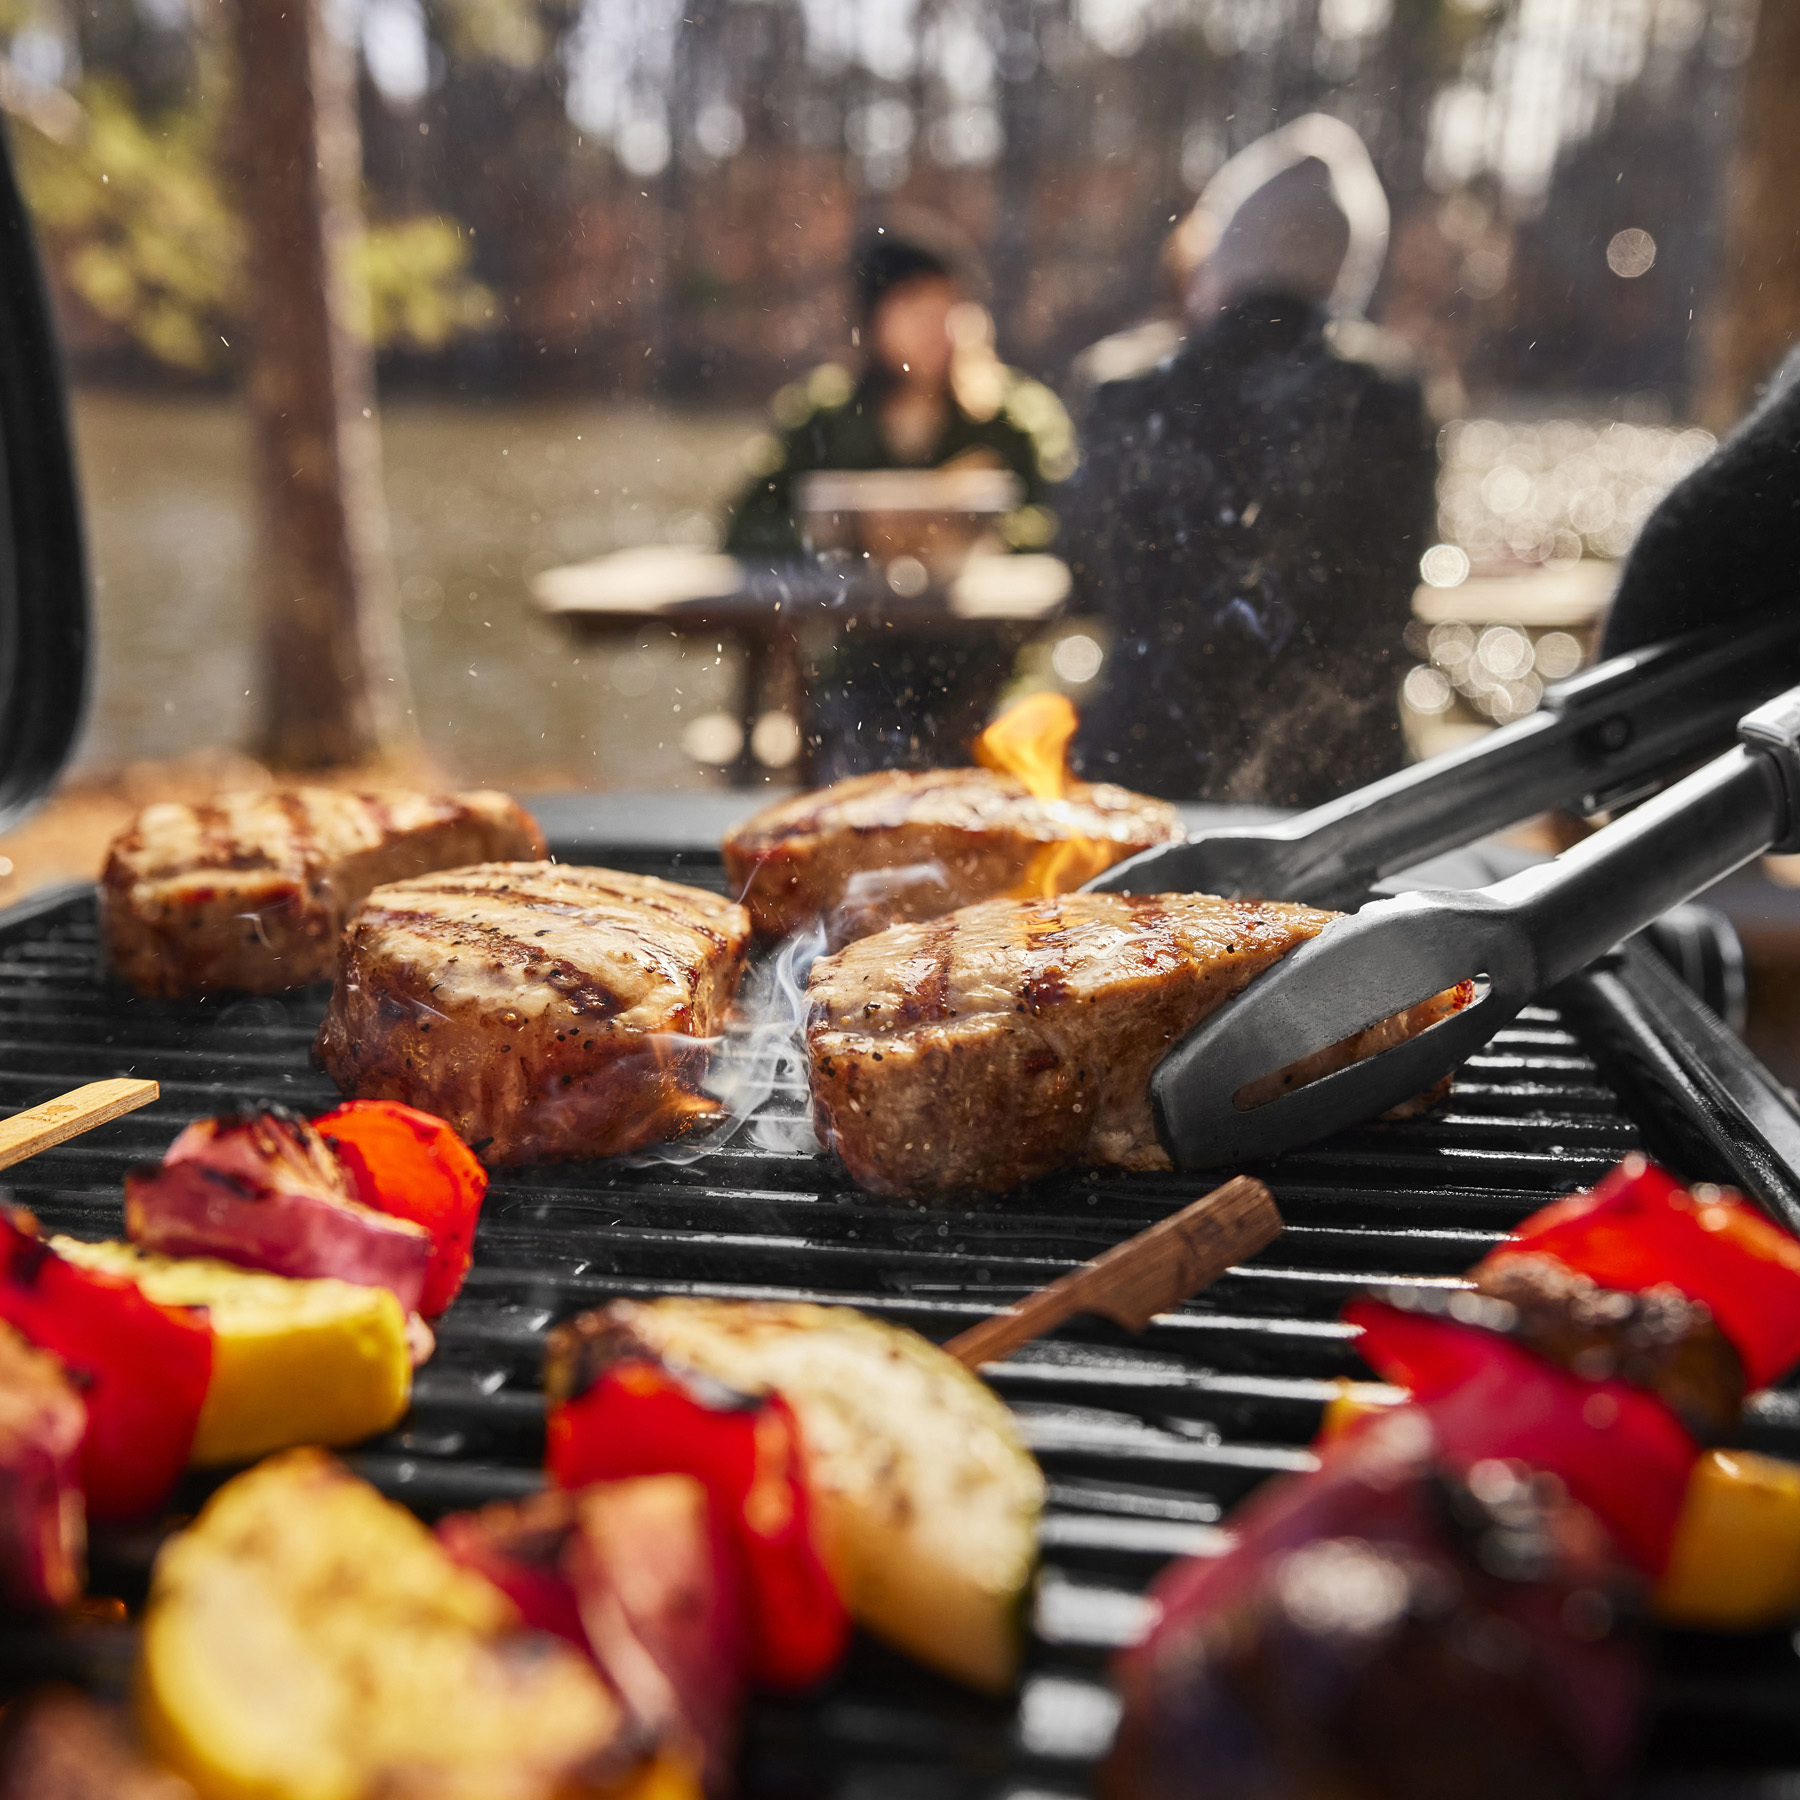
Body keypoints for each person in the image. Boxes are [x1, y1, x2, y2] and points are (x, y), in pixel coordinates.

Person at [1064, 114, 1438, 807]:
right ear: (1345, 269)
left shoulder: (1125, 390)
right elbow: (1394, 584)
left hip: (1144, 774)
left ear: (1225, 256)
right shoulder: (1391, 396)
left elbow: (1083, 574)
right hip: (1341, 786)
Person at [724, 217, 1075, 775]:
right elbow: (744, 526)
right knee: (857, 763)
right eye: (915, 309)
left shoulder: (1014, 418)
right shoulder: (824, 415)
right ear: (873, 320)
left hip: (994, 663)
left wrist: (980, 534)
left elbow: (1065, 522)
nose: (937, 328)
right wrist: (848, 538)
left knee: (1028, 746)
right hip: (862, 663)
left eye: (949, 308)